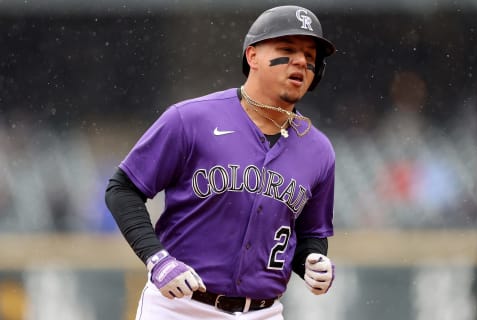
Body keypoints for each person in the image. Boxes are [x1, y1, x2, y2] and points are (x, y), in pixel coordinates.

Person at [105, 5, 336, 319]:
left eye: (310, 55)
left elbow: (310, 234)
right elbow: (122, 188)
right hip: (181, 308)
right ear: (252, 57)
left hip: (264, 312)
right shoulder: (191, 119)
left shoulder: (318, 150)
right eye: (287, 49)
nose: (301, 61)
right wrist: (156, 258)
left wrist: (313, 262)